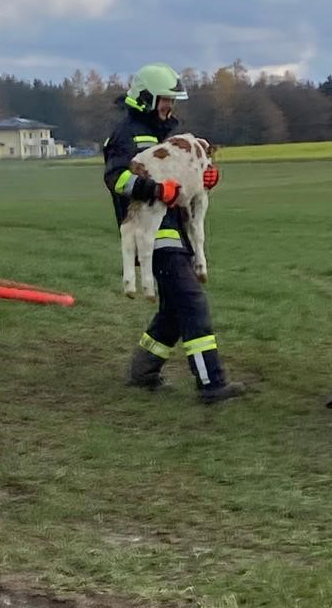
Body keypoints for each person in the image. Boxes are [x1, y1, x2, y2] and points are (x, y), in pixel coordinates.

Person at [104, 64, 244, 404]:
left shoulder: (173, 132)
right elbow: (116, 179)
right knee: (192, 303)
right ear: (146, 98)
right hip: (153, 233)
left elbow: (186, 175)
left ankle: (143, 371)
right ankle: (211, 383)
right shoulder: (125, 134)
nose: (170, 106)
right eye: (165, 99)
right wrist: (155, 190)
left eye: (172, 100)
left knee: (174, 309)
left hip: (179, 228)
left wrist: (206, 178)